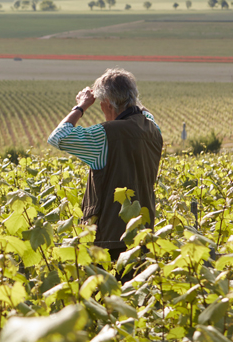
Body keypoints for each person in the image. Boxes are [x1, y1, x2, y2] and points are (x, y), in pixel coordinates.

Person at [47, 68, 162, 270]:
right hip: (144, 234)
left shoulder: (106, 136)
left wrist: (81, 105)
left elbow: (58, 137)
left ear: (107, 103)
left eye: (101, 104)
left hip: (109, 239)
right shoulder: (153, 130)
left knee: (107, 298)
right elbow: (145, 112)